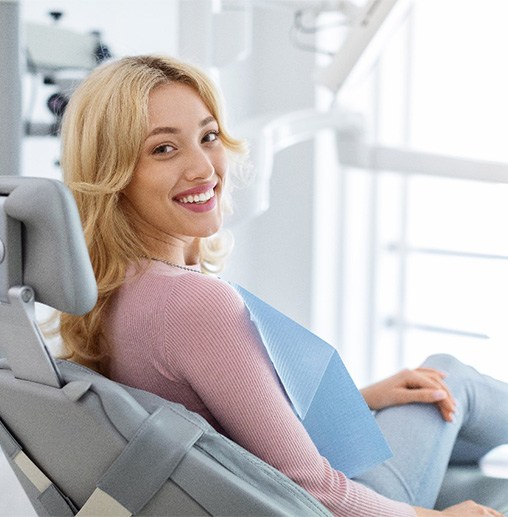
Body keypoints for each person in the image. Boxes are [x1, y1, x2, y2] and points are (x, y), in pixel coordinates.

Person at [59, 54, 508, 517]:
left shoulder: (107, 290)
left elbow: (226, 428)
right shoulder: (189, 302)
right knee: (450, 378)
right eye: (164, 149)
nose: (203, 168)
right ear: (113, 175)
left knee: (430, 392)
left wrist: (364, 399)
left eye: (208, 137)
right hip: (351, 503)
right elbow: (313, 491)